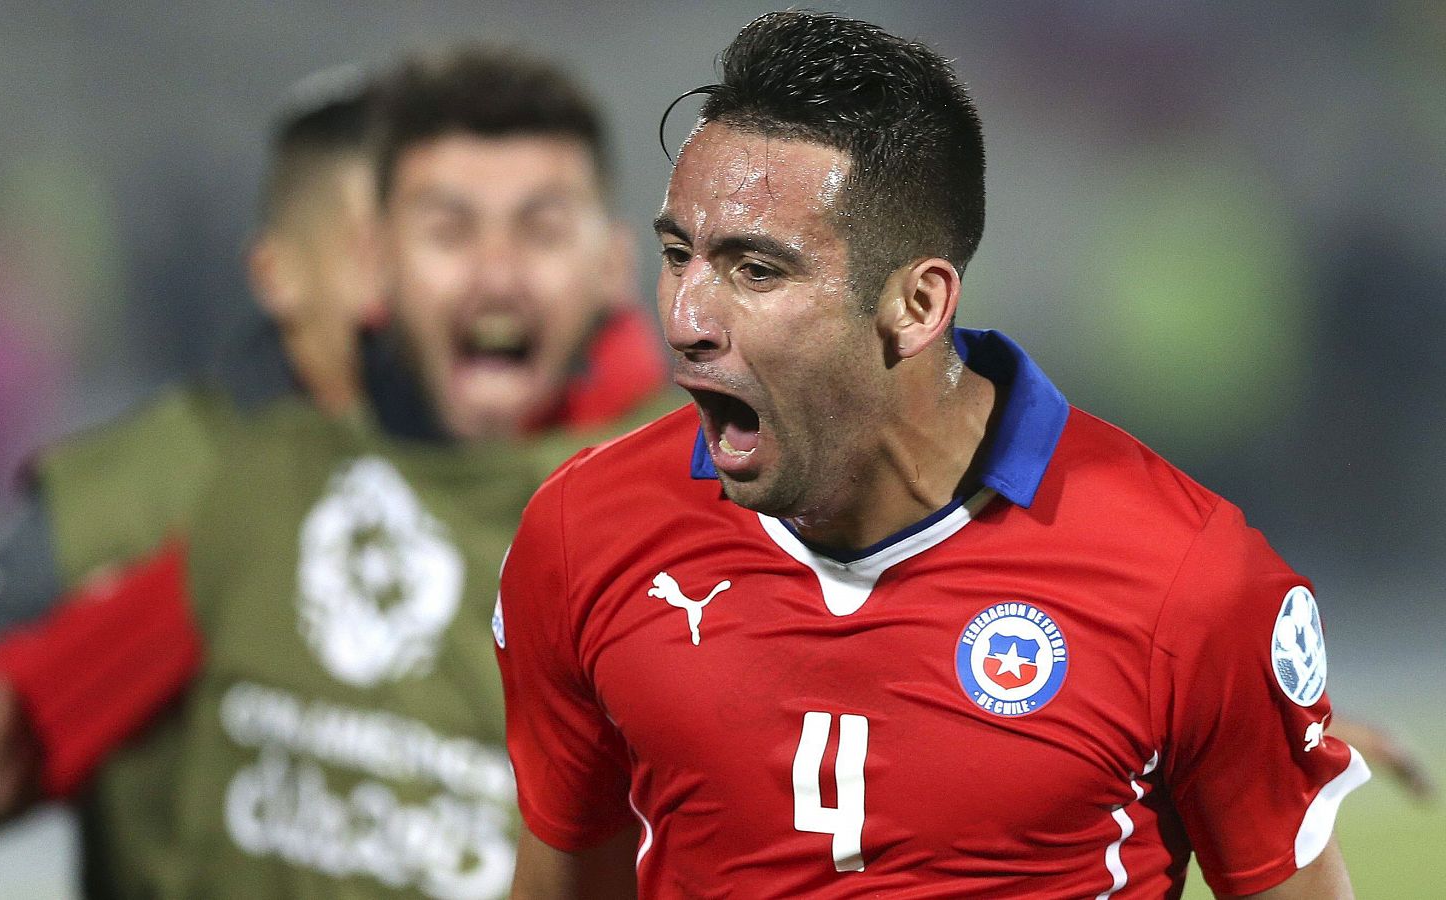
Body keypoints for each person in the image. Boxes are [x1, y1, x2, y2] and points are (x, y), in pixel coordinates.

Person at [494, 12, 1367, 898]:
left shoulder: (1187, 582)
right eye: (679, 255)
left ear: (917, 305)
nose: (684, 318)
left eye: (758, 271)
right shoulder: (583, 535)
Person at [0, 47, 666, 900]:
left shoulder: (699, 517)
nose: (495, 275)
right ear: (378, 260)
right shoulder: (241, 485)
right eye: (449, 230)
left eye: (539, 228)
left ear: (610, 263)